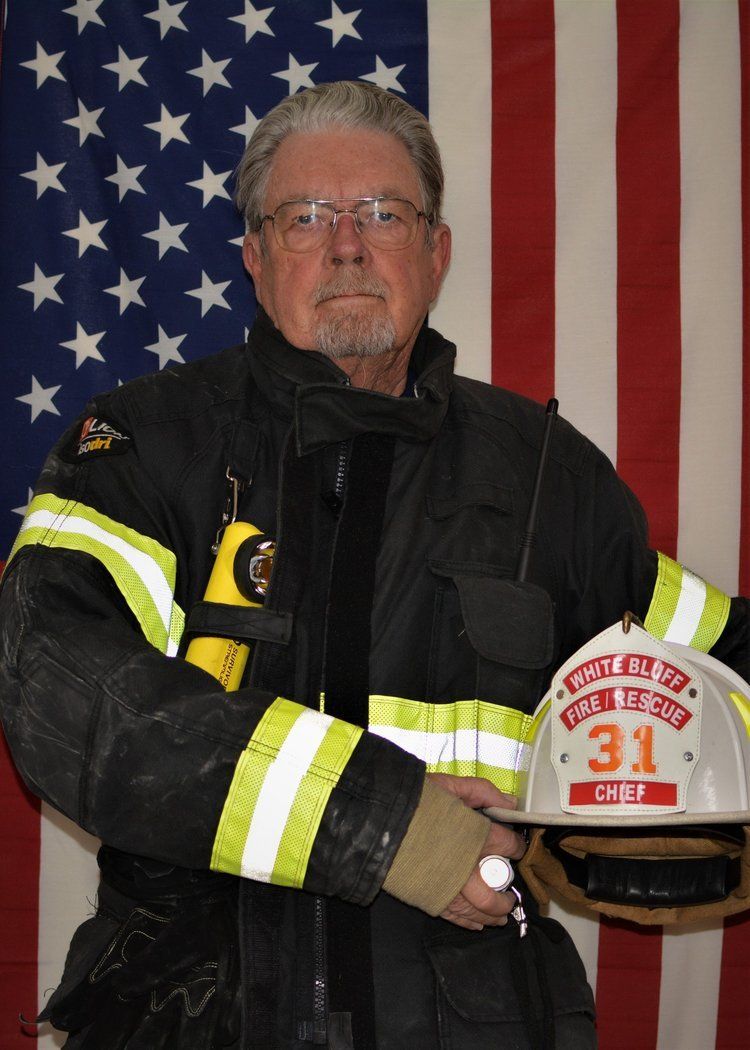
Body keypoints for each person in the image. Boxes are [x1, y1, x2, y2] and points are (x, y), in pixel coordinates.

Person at [0, 80, 747, 1050]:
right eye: (306, 217)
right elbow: (58, 690)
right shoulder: (142, 445)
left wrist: (616, 816)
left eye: (384, 214)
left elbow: (716, 679)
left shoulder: (547, 480)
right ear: (256, 261)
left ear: (436, 255)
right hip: (191, 1018)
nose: (347, 245)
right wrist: (393, 827)